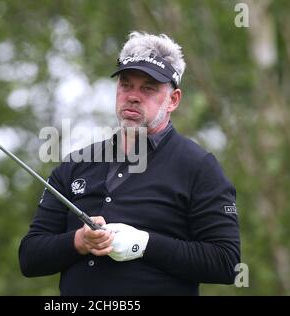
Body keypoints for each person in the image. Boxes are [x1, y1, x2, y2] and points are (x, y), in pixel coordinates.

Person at [19, 31, 240, 295]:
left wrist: (144, 244)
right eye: (126, 84)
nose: (133, 96)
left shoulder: (199, 167)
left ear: (173, 100)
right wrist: (79, 241)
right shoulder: (75, 165)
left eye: (148, 88)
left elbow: (226, 262)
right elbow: (29, 258)